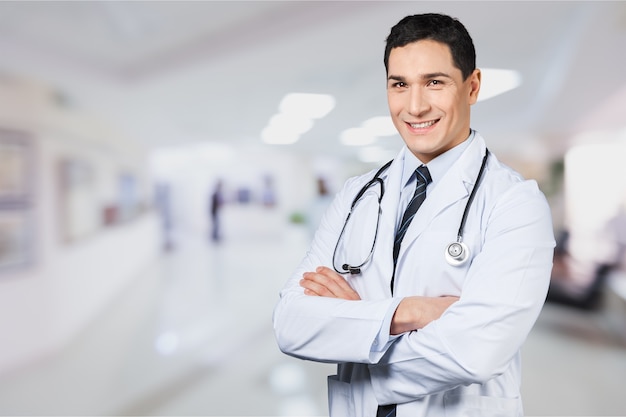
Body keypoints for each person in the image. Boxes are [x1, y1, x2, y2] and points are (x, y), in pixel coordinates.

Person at [273, 13, 555, 417]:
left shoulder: (515, 203)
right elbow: (291, 323)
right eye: (399, 85)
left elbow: (474, 352)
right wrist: (414, 311)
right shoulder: (357, 196)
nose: (415, 105)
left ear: (472, 86)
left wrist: (354, 330)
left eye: (434, 82)